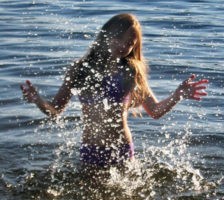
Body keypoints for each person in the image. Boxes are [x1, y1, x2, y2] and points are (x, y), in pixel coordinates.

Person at [20, 13, 208, 169]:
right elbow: (55, 110)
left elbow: (155, 111)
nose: (123, 46)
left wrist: (177, 96)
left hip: (122, 148)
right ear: (106, 35)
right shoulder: (80, 70)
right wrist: (38, 100)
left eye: (130, 44)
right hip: (90, 149)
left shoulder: (132, 72)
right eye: (119, 38)